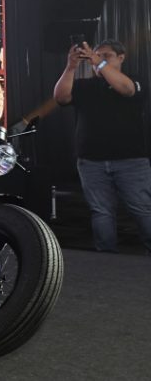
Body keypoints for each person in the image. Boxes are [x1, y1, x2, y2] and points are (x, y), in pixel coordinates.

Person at [53, 38, 151, 252]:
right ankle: (106, 261)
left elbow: (126, 90)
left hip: (130, 161)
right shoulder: (85, 86)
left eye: (107, 56)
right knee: (101, 212)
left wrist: (99, 61)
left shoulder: (134, 80)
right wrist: (71, 66)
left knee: (143, 210)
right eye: (96, 56)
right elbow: (61, 97)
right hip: (91, 162)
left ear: (121, 58)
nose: (98, 60)